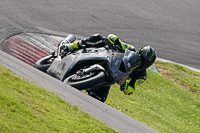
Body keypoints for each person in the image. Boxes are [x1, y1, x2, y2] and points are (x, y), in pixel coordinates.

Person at [60, 33, 156, 102]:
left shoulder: (141, 76)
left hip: (112, 78)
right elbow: (116, 39)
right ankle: (71, 46)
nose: (142, 64)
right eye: (142, 60)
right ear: (139, 54)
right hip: (108, 59)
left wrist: (125, 87)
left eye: (146, 64)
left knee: (99, 99)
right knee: (98, 37)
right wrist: (112, 39)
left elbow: (131, 89)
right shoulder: (130, 49)